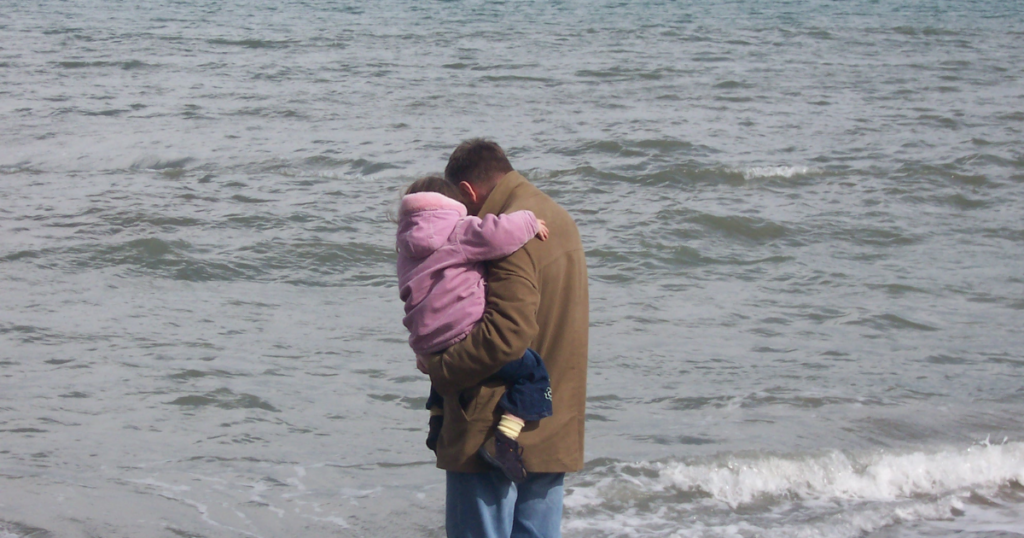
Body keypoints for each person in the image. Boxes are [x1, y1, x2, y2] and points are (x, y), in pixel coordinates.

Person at [422, 139, 589, 538]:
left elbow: (507, 334)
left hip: (490, 420)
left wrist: (442, 369)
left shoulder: (507, 230)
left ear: (467, 191)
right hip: (551, 410)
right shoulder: (558, 217)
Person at [395, 175, 555, 483]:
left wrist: (421, 348)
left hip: (428, 341)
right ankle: (506, 438)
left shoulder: (405, 249)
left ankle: (436, 419)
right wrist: (529, 221)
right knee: (532, 371)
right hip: (464, 330)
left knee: (443, 374)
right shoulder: (458, 230)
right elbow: (497, 235)